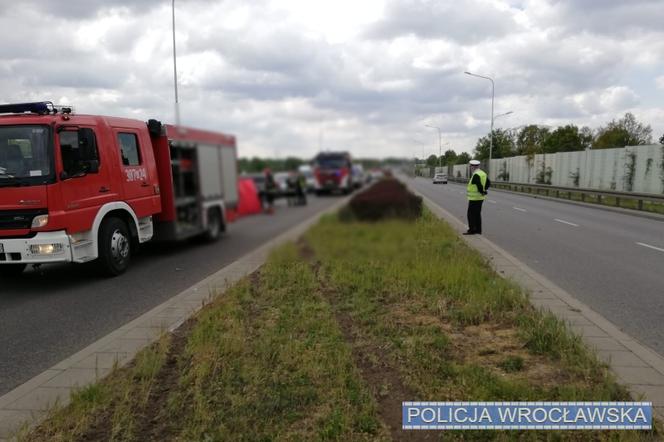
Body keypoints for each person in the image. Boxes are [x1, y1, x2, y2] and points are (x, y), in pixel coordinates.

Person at [464, 159, 490, 235]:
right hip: (480, 198)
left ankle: (472, 230)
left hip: (474, 198)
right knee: (477, 214)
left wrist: (482, 191)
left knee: (471, 214)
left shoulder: (476, 175)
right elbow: (488, 183)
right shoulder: (483, 173)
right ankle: (478, 230)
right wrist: (485, 191)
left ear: (472, 167)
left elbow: (478, 185)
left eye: (470, 166)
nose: (470, 167)